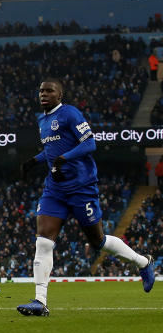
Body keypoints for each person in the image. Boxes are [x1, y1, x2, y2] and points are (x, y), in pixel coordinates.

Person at [19, 79, 155, 316]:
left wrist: (65, 159)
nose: (44, 94)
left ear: (60, 95)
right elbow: (52, 150)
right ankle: (40, 301)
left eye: (49, 91)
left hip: (81, 187)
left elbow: (89, 143)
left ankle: (143, 262)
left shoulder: (70, 114)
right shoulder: (42, 120)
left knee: (97, 241)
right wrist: (34, 161)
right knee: (43, 240)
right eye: (41, 91)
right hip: (55, 189)